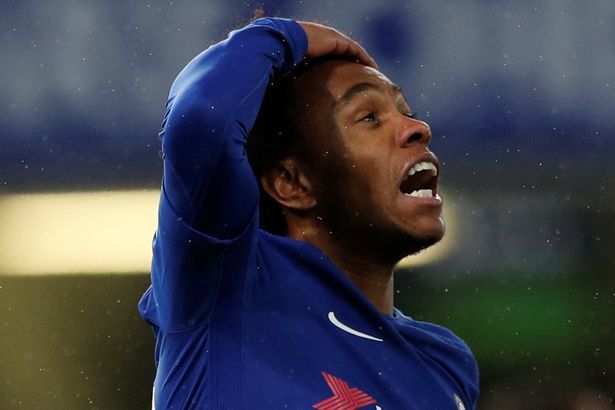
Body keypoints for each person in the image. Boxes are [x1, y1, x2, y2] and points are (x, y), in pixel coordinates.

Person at [139, 16, 479, 409]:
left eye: (406, 111)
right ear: (292, 183)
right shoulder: (225, 290)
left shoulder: (442, 364)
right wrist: (282, 35)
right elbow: (201, 119)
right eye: (370, 117)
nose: (417, 127)